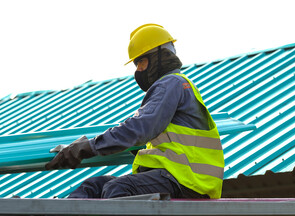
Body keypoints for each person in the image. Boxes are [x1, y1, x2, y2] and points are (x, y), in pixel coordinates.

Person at [45, 24, 225, 199]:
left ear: (159, 57)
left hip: (187, 180)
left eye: (142, 62)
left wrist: (87, 147)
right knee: (93, 186)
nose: (138, 70)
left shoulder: (171, 83)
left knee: (116, 187)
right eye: (137, 65)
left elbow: (139, 128)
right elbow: (148, 134)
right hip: (173, 176)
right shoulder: (175, 86)